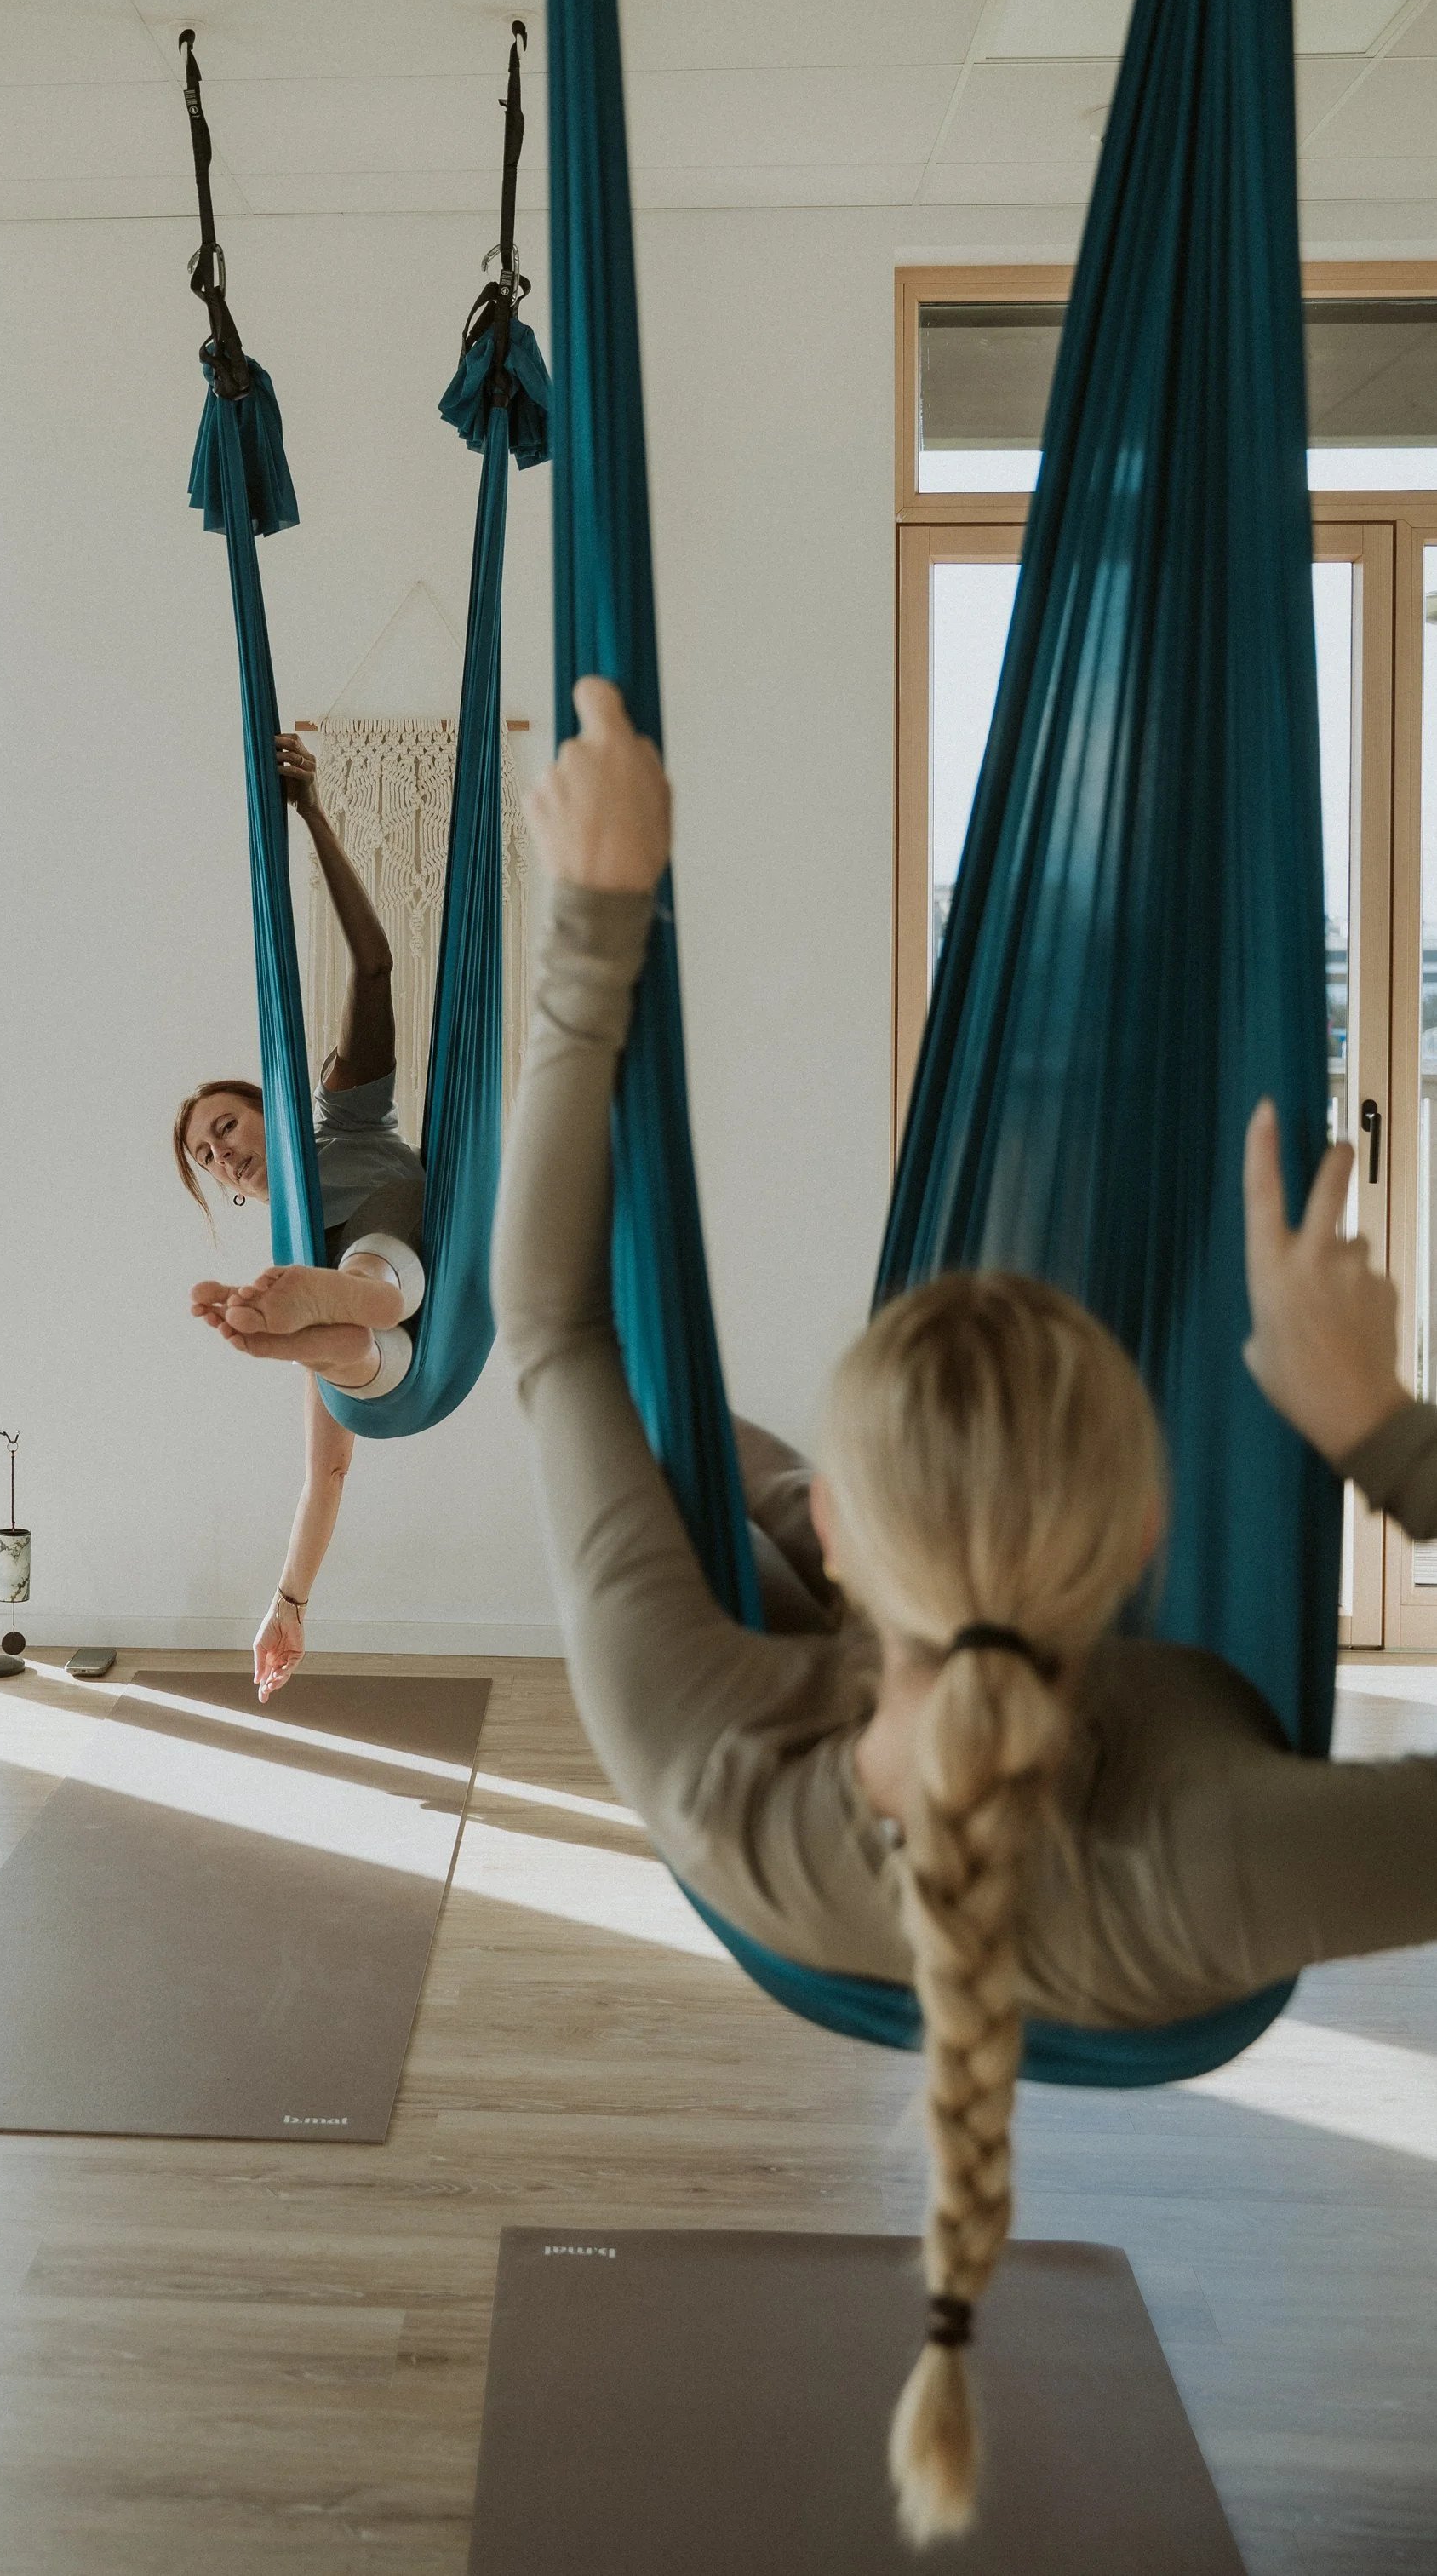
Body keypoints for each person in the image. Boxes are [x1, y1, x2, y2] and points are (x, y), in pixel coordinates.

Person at [493, 674, 1437, 2550]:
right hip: (893, 1638)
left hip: (812, 1639)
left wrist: (595, 911)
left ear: (846, 1533)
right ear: (1157, 1524)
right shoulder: (1212, 1856)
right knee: (719, 1498)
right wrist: (1377, 1432)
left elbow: (542, 1324)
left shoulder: (718, 1764)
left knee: (714, 1499)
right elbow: (562, 1334)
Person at [178, 732, 429, 1701]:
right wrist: (287, 1604)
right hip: (377, 1337)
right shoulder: (287, 1258)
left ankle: (314, 1324)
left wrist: (312, 814)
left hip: (403, 1253)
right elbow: (326, 1476)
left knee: (372, 1277)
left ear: (266, 1104)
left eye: (225, 1125)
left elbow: (371, 969)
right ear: (234, 1191)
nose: (223, 1152)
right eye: (209, 1159)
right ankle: (291, 1343)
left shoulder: (343, 1114)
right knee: (367, 1363)